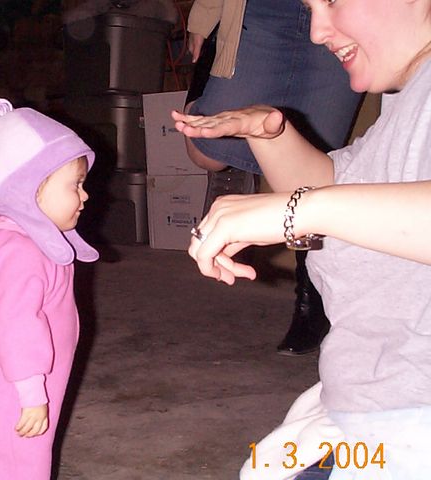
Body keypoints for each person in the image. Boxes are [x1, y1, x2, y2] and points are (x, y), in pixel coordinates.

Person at [173, 0, 431, 478]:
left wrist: (299, 211)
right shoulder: (411, 92)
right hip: (365, 406)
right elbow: (342, 186)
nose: (315, 32)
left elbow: (325, 204)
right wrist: (268, 133)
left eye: (331, 1)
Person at [184, 0, 364, 355]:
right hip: (262, 9)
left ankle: (312, 294)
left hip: (347, 11)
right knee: (207, 149)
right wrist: (205, 14)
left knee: (319, 163)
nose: (318, 32)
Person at [0, 97, 98, 479]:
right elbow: (15, 324)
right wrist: (31, 394)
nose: (85, 195)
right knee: (21, 467)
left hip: (5, 382)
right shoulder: (22, 252)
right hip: (14, 391)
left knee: (9, 464)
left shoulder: (5, 234)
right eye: (75, 185)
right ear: (29, 189)